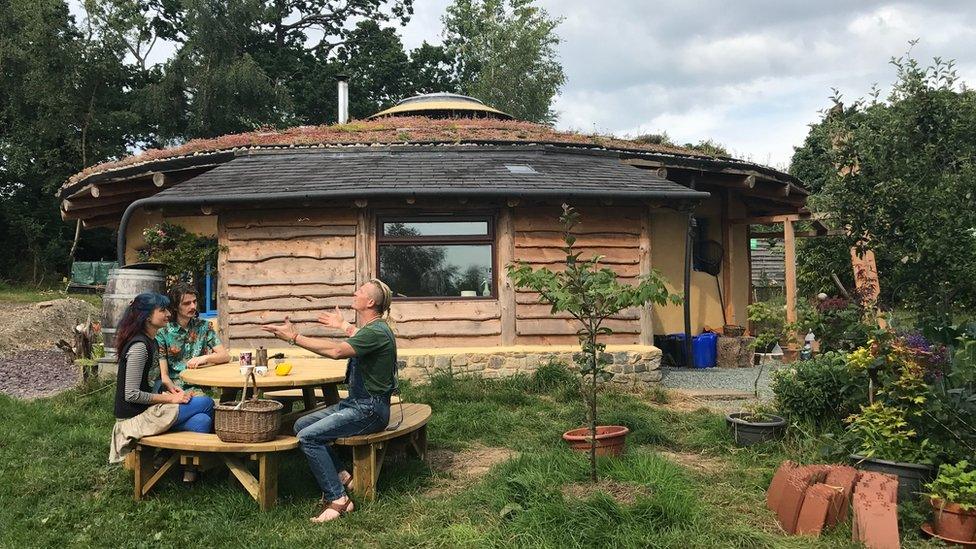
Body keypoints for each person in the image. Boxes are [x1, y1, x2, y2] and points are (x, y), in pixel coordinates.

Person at [261, 279, 397, 523]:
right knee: (301, 425)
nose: (355, 292)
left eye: (361, 291)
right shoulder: (375, 329)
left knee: (308, 437)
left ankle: (339, 499)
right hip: (358, 404)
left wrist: (294, 338)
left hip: (370, 410)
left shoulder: (376, 331)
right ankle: (343, 476)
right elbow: (358, 335)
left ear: (370, 302)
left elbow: (336, 352)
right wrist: (343, 324)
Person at [109, 293, 216, 482]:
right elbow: (131, 394)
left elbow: (150, 382)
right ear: (147, 317)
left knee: (201, 421)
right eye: (163, 310)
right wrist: (170, 399)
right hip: (134, 418)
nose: (168, 314)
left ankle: (182, 467)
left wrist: (171, 390)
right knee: (206, 402)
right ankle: (178, 460)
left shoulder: (151, 340)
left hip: (147, 411)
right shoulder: (140, 347)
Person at [156, 283, 231, 394]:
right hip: (175, 388)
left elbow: (225, 356)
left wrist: (204, 358)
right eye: (187, 303)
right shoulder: (163, 332)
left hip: (200, 385)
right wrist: (177, 394)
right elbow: (164, 376)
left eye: (194, 302)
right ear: (175, 307)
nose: (193, 307)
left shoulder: (204, 326)